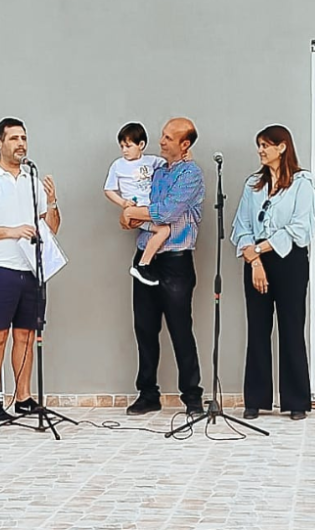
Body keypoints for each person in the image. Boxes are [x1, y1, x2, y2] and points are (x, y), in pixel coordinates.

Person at [0, 117, 61, 422]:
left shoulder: (33, 180)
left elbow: (51, 228)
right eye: (14, 138)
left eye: (24, 138)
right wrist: (12, 231)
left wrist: (54, 202)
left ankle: (24, 397)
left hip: (31, 269)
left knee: (26, 336)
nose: (20, 144)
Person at [230, 125, 315, 421]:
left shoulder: (302, 184)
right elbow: (240, 226)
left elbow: (299, 229)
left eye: (266, 145)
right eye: (259, 145)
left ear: (282, 147)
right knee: (257, 330)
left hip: (288, 261)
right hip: (256, 262)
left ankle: (296, 401)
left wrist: (260, 249)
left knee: (291, 329)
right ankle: (255, 399)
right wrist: (253, 260)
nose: (260, 150)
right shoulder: (253, 184)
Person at [120, 117, 205, 416]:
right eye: (163, 136)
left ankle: (193, 399)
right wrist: (130, 213)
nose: (162, 141)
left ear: (185, 145)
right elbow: (139, 210)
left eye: (169, 138)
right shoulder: (156, 173)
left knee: (181, 330)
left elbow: (166, 212)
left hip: (175, 262)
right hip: (145, 256)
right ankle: (147, 394)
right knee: (144, 328)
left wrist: (135, 212)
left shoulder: (191, 175)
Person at [104, 122, 170, 286]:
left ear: (141, 145)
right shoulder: (118, 165)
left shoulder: (151, 161)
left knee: (165, 228)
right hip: (136, 209)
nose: (124, 150)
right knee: (164, 230)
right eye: (122, 147)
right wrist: (123, 203)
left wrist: (185, 157)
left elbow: (167, 164)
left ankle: (144, 264)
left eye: (128, 146)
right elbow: (109, 189)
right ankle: (143, 265)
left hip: (150, 208)